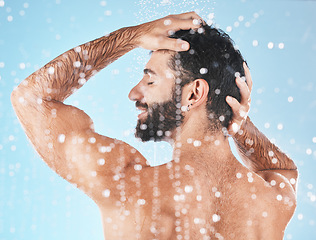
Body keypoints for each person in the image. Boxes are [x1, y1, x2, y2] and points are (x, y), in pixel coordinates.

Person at [11, 12, 298, 240]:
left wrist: (128, 37)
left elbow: (31, 98)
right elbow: (283, 170)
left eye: (150, 80)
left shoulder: (126, 184)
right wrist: (241, 127)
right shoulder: (270, 202)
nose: (134, 94)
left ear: (194, 94)